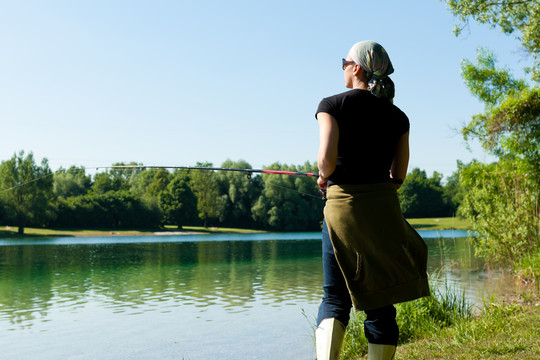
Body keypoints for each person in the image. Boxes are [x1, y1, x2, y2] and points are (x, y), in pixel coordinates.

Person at [315, 41, 430, 360]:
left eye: (343, 62)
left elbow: (326, 160)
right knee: (380, 301)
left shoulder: (331, 105)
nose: (342, 68)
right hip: (383, 212)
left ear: (356, 68)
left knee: (335, 298)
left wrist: (323, 177)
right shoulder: (398, 116)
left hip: (342, 210)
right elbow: (400, 173)